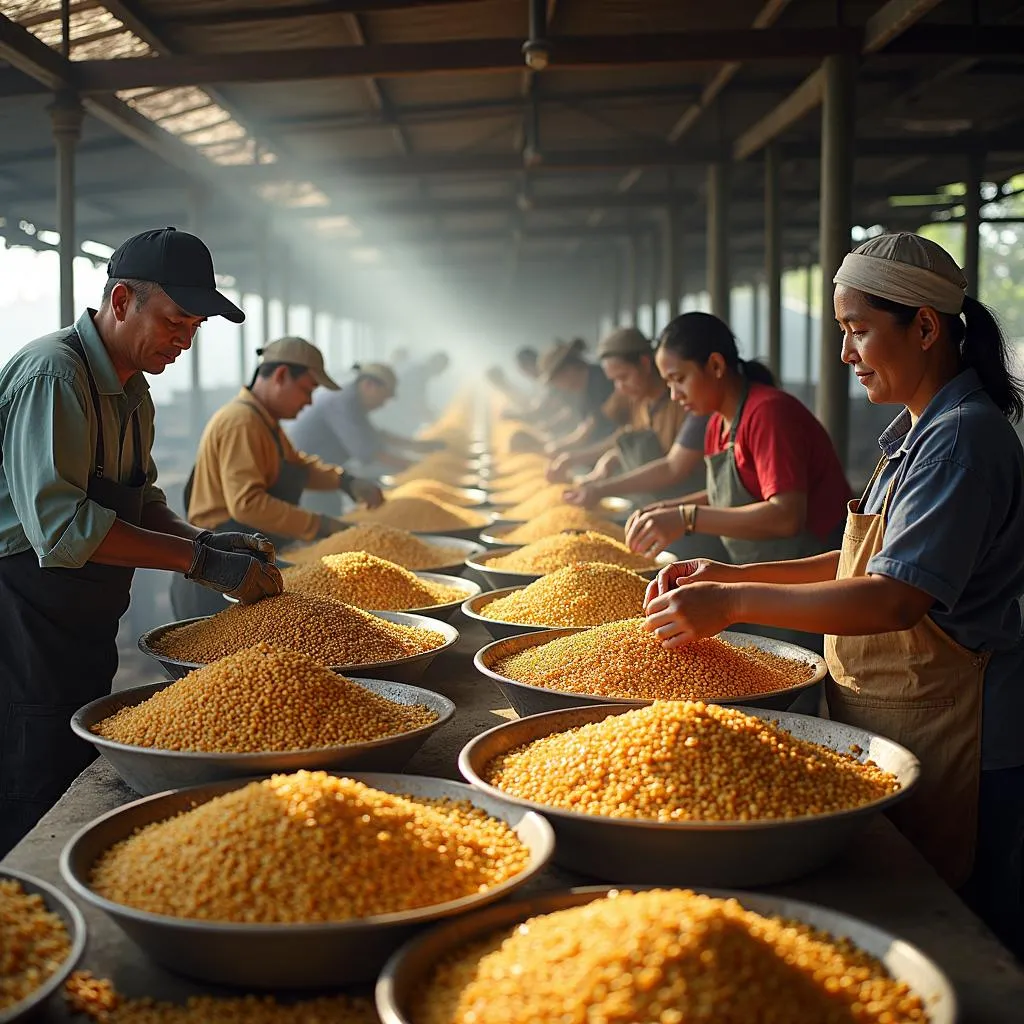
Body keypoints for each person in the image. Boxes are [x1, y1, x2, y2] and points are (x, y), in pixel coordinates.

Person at [643, 233, 1024, 956]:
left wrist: (731, 606)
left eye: (858, 331)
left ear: (925, 326)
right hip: (913, 714)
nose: (845, 354)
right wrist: (728, 577)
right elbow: (854, 560)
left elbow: (891, 600)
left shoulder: (960, 442)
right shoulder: (916, 434)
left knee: (971, 935)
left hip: (967, 740)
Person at [0, 227, 282, 855]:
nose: (184, 339)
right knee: (32, 792)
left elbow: (142, 500)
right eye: (176, 319)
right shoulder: (55, 375)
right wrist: (197, 561)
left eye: (195, 327)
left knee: (75, 775)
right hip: (22, 624)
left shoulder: (133, 391)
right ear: (122, 300)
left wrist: (208, 540)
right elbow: (63, 529)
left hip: (81, 623)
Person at [626, 312, 850, 650]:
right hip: (761, 577)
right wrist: (667, 509)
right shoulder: (718, 423)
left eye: (679, 379)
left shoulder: (769, 413)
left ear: (715, 366)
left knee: (797, 671)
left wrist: (687, 517)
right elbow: (733, 494)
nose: (673, 395)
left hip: (809, 579)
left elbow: (786, 516)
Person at [170, 337, 383, 619]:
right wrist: (319, 525)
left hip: (246, 563)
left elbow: (298, 467)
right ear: (281, 375)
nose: (309, 401)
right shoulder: (242, 422)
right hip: (222, 570)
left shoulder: (264, 421)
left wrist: (345, 481)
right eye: (307, 390)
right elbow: (247, 504)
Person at [548, 327, 700, 507]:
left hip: (682, 510)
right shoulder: (634, 398)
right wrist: (606, 462)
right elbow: (623, 438)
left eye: (624, 377)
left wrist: (601, 488)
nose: (620, 387)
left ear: (645, 363)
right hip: (649, 506)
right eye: (614, 380)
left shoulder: (685, 404)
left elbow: (672, 468)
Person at [536, 337, 627, 449]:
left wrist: (551, 447)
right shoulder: (583, 387)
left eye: (556, 380)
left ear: (568, 370)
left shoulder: (601, 383)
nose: (558, 387)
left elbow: (586, 432)